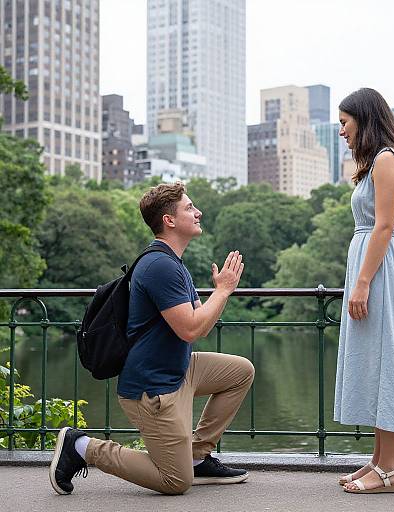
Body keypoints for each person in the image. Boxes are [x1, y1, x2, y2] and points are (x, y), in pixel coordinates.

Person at [50, 182, 255, 496]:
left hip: (178, 371)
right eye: (189, 208)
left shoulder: (174, 263)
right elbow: (189, 329)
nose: (198, 212)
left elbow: (201, 327)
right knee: (175, 482)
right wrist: (224, 290)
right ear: (169, 221)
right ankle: (81, 447)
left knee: (240, 371)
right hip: (152, 387)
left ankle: (198, 457)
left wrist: (219, 293)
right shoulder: (159, 266)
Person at [333, 88, 394, 494]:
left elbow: (385, 227)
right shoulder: (379, 161)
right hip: (375, 270)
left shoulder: (388, 160)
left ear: (364, 119)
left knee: (386, 361)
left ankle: (391, 470)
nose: (341, 131)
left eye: (344, 123)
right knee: (375, 363)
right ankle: (379, 461)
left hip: (381, 273)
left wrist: (363, 281)